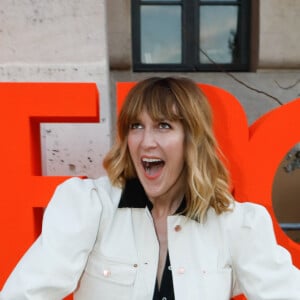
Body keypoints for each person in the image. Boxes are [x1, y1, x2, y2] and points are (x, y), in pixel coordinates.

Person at [0, 77, 299, 300]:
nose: (146, 141)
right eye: (136, 126)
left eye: (164, 126)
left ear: (192, 140)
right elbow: (26, 293)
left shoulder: (235, 224)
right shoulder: (90, 207)